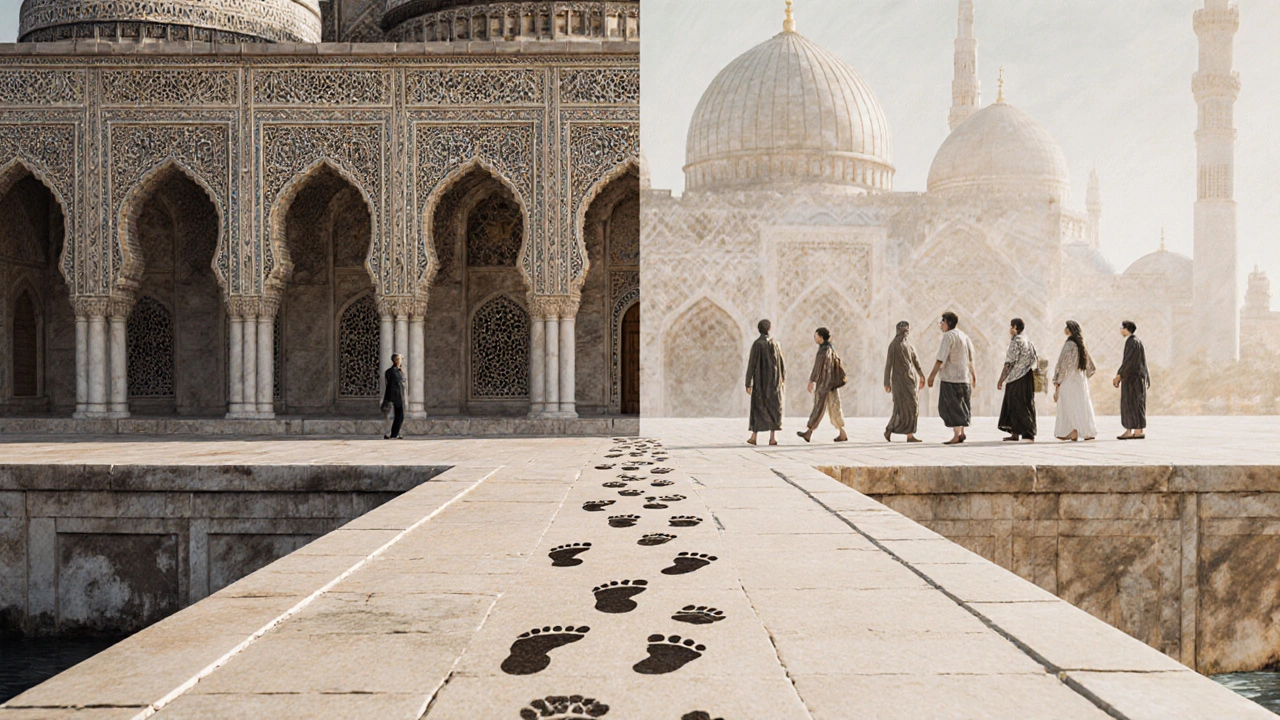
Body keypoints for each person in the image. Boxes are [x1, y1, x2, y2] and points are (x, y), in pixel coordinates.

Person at [927, 312, 976, 445]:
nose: (940, 325)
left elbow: (940, 358)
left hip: (951, 378)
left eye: (942, 322)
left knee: (950, 407)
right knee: (963, 405)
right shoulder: (964, 336)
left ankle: (956, 435)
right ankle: (962, 432)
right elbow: (971, 358)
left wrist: (931, 376)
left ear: (948, 322)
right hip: (964, 378)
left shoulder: (948, 336)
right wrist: (973, 375)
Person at [797, 327, 848, 443]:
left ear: (821, 337)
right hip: (831, 383)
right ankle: (841, 433)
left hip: (825, 384)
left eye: (816, 336)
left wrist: (811, 380)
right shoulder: (831, 348)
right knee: (833, 407)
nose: (815, 338)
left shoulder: (824, 350)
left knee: (819, 407)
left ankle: (809, 431)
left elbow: (818, 368)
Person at [1053, 320, 1098, 441]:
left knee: (1067, 405)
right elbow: (1092, 368)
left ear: (1069, 330)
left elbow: (1062, 365)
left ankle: (1071, 431)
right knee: (1081, 405)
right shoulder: (1081, 344)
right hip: (1080, 381)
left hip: (1069, 380)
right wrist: (1082, 376)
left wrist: (1057, 381)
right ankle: (1084, 431)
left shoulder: (1069, 345)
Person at [883, 320, 926, 443]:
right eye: (903, 330)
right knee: (899, 407)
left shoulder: (909, 345)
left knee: (912, 406)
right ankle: (889, 429)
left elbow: (916, 362)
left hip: (910, 380)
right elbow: (888, 365)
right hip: (898, 382)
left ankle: (910, 435)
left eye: (906, 331)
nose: (905, 333)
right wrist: (887, 383)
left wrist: (921, 376)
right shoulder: (893, 345)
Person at [996, 318, 1038, 442]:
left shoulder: (1016, 341)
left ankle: (1016, 434)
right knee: (1026, 404)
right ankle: (1028, 433)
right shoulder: (1028, 341)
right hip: (1027, 376)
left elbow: (1009, 363)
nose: (1010, 329)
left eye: (1011, 327)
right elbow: (1034, 359)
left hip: (1016, 378)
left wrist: (1001, 379)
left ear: (1015, 327)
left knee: (1014, 405)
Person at [745, 319, 786, 446]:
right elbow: (782, 363)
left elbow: (751, 364)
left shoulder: (757, 344)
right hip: (774, 382)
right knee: (774, 408)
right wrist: (782, 377)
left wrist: (748, 382)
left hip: (761, 382)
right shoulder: (775, 344)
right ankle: (772, 438)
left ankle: (754, 436)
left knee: (758, 408)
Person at [1113, 320, 1149, 440]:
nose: (1120, 330)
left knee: (1129, 404)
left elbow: (1128, 361)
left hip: (1131, 379)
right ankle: (1138, 430)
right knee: (1137, 404)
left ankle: (1129, 430)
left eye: (1121, 328)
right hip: (1138, 379)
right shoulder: (1137, 342)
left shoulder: (1131, 342)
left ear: (1126, 329)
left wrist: (1119, 375)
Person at [382, 353, 407, 440]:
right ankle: (392, 434)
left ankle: (394, 433)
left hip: (399, 397)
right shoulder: (393, 372)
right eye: (399, 359)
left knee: (399, 416)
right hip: (395, 397)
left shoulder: (398, 371)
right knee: (397, 416)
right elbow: (392, 385)